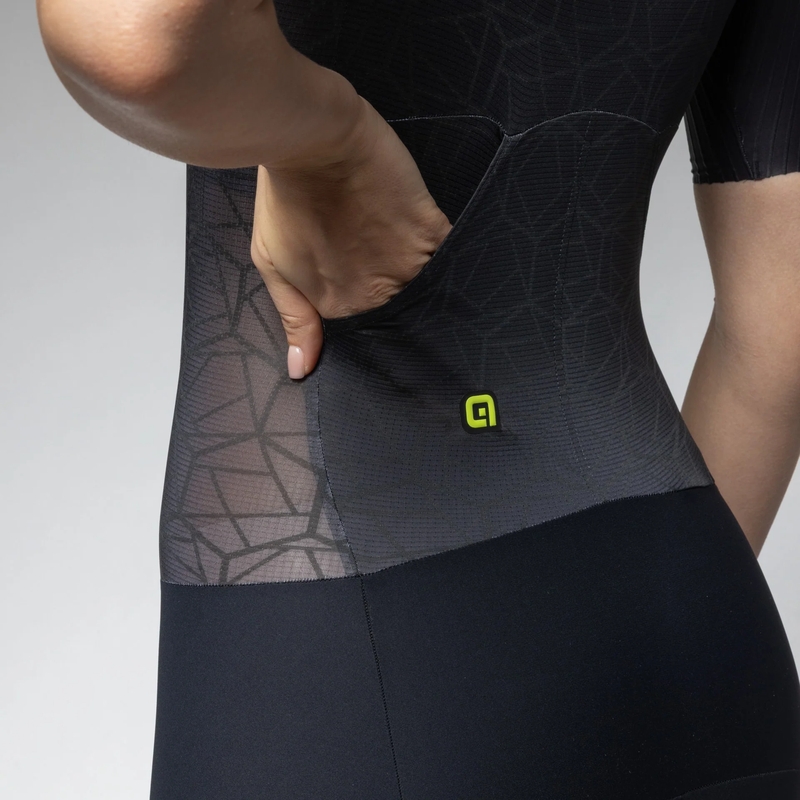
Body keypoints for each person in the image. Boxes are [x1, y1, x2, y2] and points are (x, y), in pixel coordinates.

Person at [37, 0, 800, 797]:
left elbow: (130, 34)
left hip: (345, 660)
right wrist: (635, 610)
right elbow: (780, 328)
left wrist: (329, 141)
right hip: (693, 631)